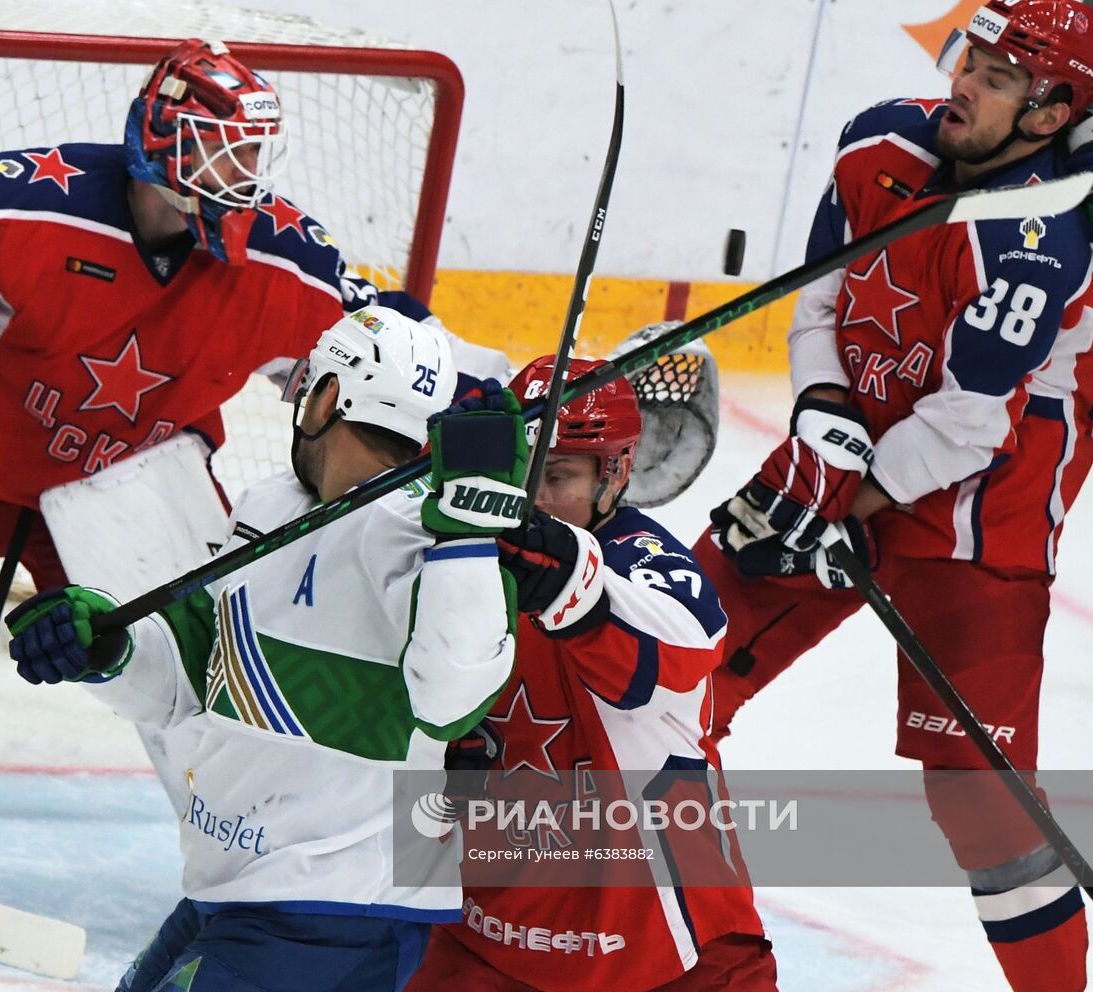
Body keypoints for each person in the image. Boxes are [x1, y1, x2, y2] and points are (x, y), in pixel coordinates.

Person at [0, 37, 507, 615]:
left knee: (205, 647)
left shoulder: (283, 256)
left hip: (116, 489)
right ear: (161, 141)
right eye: (221, 147)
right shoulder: (35, 201)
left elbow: (388, 345)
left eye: (252, 153)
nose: (244, 172)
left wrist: (502, 397)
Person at [695, 2, 1092, 989]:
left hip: (979, 515)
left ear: (1048, 115)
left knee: (982, 809)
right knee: (668, 685)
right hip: (850, 457)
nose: (960, 82)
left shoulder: (1035, 236)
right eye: (970, 59)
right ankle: (703, 967)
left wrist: (837, 497)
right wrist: (823, 423)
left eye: (996, 78)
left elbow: (969, 424)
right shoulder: (876, 142)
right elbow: (823, 297)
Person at [7, 306, 525, 992]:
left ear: (332, 396)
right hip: (231, 888)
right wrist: (111, 652)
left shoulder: (424, 535)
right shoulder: (271, 505)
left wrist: (467, 535)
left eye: (310, 383)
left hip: (344, 908)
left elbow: (452, 700)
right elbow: (199, 671)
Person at [408, 355, 777, 992]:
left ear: (617, 475)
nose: (535, 499)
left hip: (672, 943)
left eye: (559, 476)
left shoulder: (651, 563)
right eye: (521, 476)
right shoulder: (459, 553)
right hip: (489, 929)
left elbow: (684, 647)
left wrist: (562, 578)